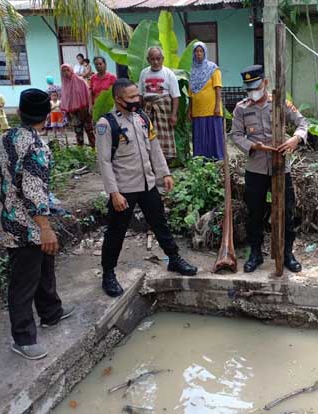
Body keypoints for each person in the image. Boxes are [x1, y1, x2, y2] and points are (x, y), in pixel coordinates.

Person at [0, 88, 75, 360]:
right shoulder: (36, 146)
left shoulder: (4, 138)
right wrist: (44, 227)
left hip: (11, 215)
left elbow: (4, 180)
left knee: (43, 267)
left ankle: (51, 312)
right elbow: (32, 188)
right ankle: (24, 338)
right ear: (46, 114)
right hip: (28, 224)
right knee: (24, 280)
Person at [96, 78, 197, 297]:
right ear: (118, 99)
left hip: (147, 184)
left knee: (160, 223)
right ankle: (108, 273)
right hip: (123, 188)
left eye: (137, 95)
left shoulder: (142, 118)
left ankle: (174, 259)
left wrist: (165, 173)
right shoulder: (107, 125)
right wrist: (114, 192)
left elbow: (154, 147)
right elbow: (104, 162)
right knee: (116, 232)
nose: (136, 100)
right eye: (131, 97)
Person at [230, 65, 309, 273]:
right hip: (255, 168)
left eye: (255, 87)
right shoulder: (241, 108)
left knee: (286, 211)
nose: (252, 92)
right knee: (254, 212)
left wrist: (295, 139)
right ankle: (255, 254)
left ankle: (287, 254)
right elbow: (236, 135)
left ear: (265, 83)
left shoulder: (280, 103)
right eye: (248, 89)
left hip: (281, 168)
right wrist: (253, 146)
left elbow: (302, 122)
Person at [139, 47, 180, 162]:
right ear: (148, 60)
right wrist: (138, 112)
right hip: (147, 109)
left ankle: (165, 163)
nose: (156, 62)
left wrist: (174, 115)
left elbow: (175, 96)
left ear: (163, 59)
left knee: (164, 137)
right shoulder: (144, 73)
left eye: (158, 59)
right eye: (152, 59)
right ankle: (151, 161)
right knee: (148, 134)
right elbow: (140, 94)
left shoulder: (169, 74)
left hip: (164, 109)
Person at [188, 42, 224, 160]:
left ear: (205, 53)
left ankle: (217, 159)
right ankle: (200, 160)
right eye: (196, 51)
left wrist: (217, 106)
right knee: (199, 136)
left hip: (212, 109)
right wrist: (190, 110)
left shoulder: (213, 68)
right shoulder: (192, 70)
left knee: (213, 135)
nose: (198, 54)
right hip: (197, 110)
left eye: (201, 51)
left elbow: (218, 87)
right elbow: (191, 93)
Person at [60, 64, 95, 147]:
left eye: (67, 70)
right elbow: (65, 99)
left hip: (84, 111)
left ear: (71, 70)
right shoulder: (64, 84)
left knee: (89, 130)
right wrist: (67, 113)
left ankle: (94, 149)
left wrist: (88, 108)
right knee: (78, 132)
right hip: (73, 113)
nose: (66, 73)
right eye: (63, 71)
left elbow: (87, 94)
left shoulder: (80, 81)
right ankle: (80, 151)